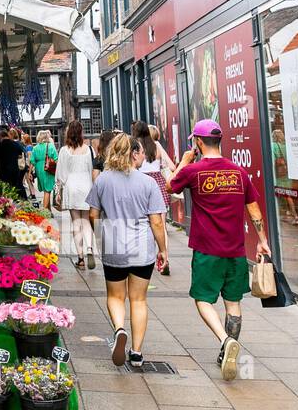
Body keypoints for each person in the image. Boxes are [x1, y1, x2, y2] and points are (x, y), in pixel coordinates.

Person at [169, 119, 270, 381]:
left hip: (207, 250)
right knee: (233, 303)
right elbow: (254, 209)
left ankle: (225, 342)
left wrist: (185, 161)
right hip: (235, 250)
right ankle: (228, 349)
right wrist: (262, 239)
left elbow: (170, 186)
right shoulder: (238, 172)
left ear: (199, 143)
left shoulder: (194, 171)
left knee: (203, 299)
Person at [87, 134, 168, 369]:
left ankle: (120, 329)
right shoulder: (148, 183)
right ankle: (137, 352)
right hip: (142, 248)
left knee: (115, 296)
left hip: (114, 246)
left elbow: (92, 214)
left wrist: (101, 235)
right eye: (140, 151)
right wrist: (162, 250)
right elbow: (156, 222)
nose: (143, 155)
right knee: (139, 300)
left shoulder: (102, 180)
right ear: (133, 153)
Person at [134, 121, 175, 275]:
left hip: (139, 184)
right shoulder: (156, 145)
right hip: (158, 184)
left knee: (141, 223)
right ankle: (165, 258)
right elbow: (171, 166)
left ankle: (145, 259)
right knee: (161, 224)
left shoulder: (135, 146)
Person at [55, 119, 97, 269]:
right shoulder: (89, 150)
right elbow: (93, 171)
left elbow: (60, 174)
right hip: (87, 187)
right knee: (86, 221)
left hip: (72, 188)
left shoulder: (64, 151)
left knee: (76, 223)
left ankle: (80, 258)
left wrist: (57, 190)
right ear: (81, 133)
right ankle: (90, 249)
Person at [30, 130, 59, 210]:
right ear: (46, 137)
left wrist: (29, 172)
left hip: (39, 169)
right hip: (48, 169)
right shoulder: (50, 146)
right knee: (47, 190)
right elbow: (56, 159)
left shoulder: (35, 148)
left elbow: (32, 161)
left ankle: (49, 211)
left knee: (46, 190)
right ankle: (44, 211)